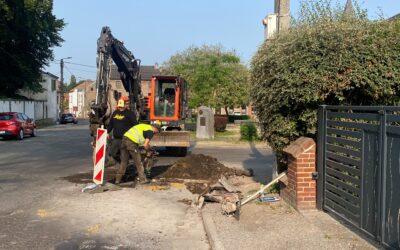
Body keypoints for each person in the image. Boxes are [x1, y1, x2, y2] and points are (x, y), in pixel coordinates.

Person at [106, 98, 138, 167]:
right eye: (119, 107)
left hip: (126, 138)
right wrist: (107, 132)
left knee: (124, 154)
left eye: (121, 107)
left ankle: (124, 166)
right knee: (112, 153)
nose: (120, 108)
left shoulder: (130, 114)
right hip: (117, 138)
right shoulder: (115, 113)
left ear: (125, 106)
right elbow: (111, 124)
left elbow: (135, 125)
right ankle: (120, 163)